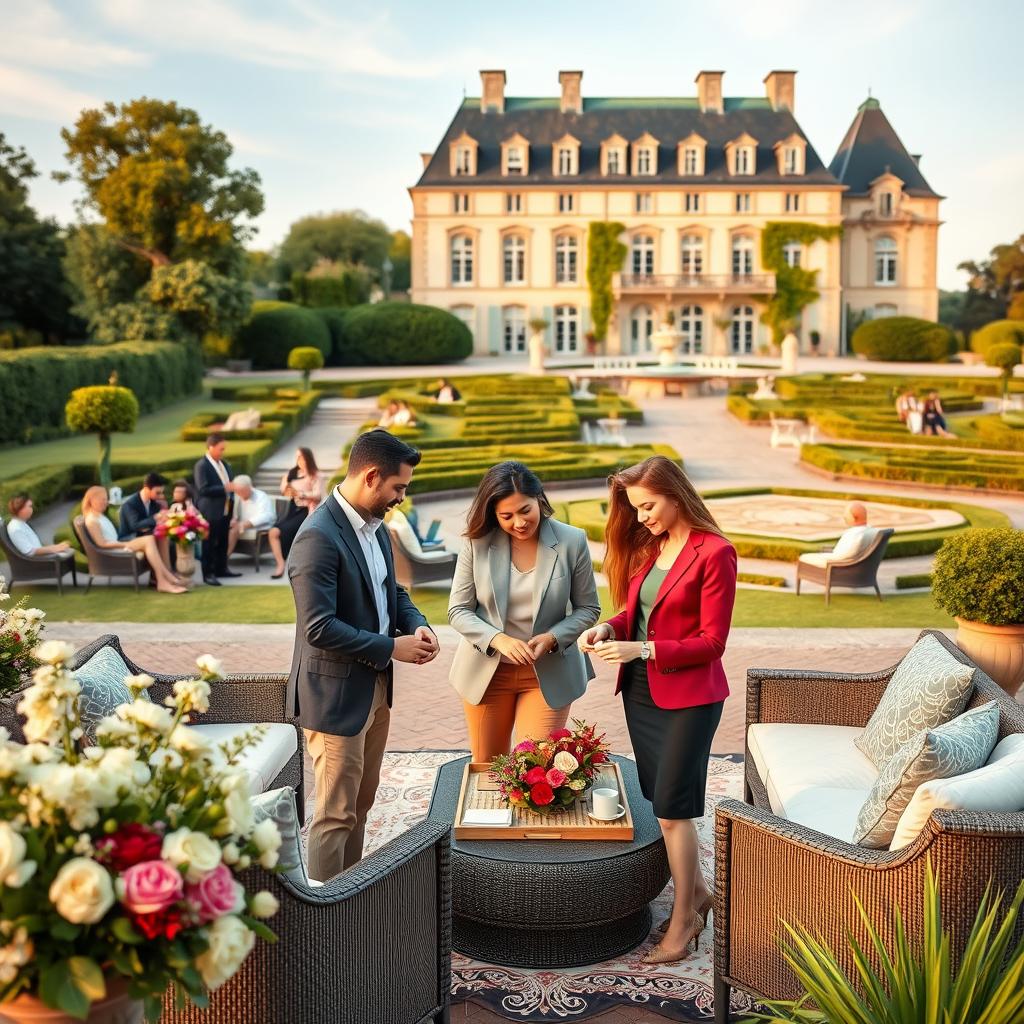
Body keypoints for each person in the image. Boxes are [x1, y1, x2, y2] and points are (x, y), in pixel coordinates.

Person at [580, 455, 737, 964]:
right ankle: (698, 892)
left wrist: (642, 650)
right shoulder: (654, 547)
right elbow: (638, 612)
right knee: (661, 800)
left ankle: (684, 919)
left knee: (674, 811)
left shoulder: (716, 553)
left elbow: (712, 642)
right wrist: (610, 628)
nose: (641, 516)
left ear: (674, 494)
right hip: (643, 693)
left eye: (647, 505)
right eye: (635, 507)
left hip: (690, 698)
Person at [287, 428, 440, 880]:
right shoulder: (317, 536)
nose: (402, 498)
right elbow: (319, 627)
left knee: (361, 803)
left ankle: (348, 893)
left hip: (373, 688)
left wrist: (417, 623)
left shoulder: (373, 528)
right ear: (372, 476)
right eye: (399, 487)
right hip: (334, 698)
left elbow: (390, 591)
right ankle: (323, 915)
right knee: (335, 815)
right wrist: (393, 647)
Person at [448, 461, 600, 761]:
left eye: (525, 510)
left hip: (548, 674)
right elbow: (458, 610)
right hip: (487, 674)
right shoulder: (477, 544)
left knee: (534, 771)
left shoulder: (572, 541)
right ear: (493, 513)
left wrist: (553, 637)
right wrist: (498, 639)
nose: (518, 522)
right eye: (506, 516)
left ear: (539, 500)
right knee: (487, 769)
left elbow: (588, 608)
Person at [81, 486, 186, 594]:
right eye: (102, 499)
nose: (106, 502)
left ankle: (164, 579)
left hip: (118, 545)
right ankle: (165, 579)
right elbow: (101, 543)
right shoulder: (92, 520)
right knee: (148, 540)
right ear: (92, 500)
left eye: (106, 499)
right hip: (114, 550)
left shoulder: (98, 516)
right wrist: (124, 544)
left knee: (152, 538)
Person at [269, 447, 324, 579]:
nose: (298, 459)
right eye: (297, 457)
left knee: (295, 534)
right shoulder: (292, 473)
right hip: (292, 509)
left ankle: (298, 565)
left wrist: (300, 493)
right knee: (273, 532)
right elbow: (284, 491)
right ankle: (280, 563)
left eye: (301, 456)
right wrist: (287, 485)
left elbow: (318, 495)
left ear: (308, 458)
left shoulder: (316, 475)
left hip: (306, 511)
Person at [193, 433, 239, 587]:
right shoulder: (202, 466)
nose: (223, 452)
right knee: (209, 543)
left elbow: (230, 482)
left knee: (223, 541)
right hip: (210, 510)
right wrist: (225, 488)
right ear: (211, 447)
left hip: (226, 509)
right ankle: (208, 574)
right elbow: (203, 489)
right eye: (221, 449)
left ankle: (221, 568)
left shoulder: (224, 464)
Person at [797, 501, 876, 569]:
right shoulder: (870, 530)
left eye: (846, 515)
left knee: (803, 557)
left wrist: (821, 556)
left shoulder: (854, 535)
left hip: (836, 568)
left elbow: (837, 558)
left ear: (854, 517)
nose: (844, 517)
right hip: (853, 567)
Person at [5, 494, 72, 557]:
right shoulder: (15, 528)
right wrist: (56, 548)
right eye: (30, 506)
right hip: (38, 562)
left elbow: (35, 548)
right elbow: (30, 552)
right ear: (20, 509)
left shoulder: (20, 523)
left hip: (40, 559)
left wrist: (57, 547)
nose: (32, 509)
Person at [227, 474, 276, 557]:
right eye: (238, 491)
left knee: (234, 530)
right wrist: (234, 519)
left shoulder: (261, 496)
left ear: (250, 487)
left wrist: (248, 523)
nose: (240, 494)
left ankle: (224, 558)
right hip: (240, 525)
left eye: (242, 491)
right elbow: (235, 514)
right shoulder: (236, 496)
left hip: (259, 526)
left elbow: (268, 516)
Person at [117, 473, 168, 540]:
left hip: (147, 536)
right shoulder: (130, 504)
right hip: (129, 538)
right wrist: (156, 517)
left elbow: (155, 524)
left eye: (162, 492)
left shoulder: (154, 502)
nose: (161, 496)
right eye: (158, 493)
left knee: (165, 536)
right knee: (156, 537)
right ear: (146, 489)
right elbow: (135, 526)